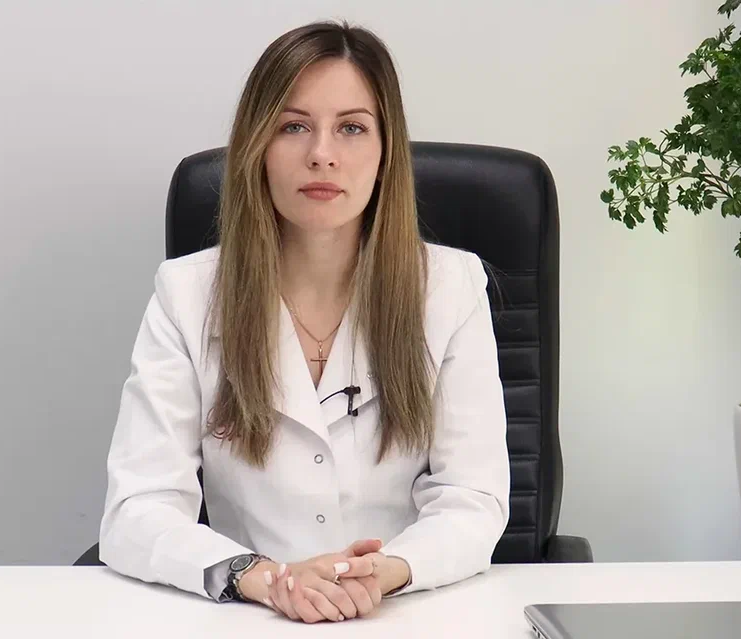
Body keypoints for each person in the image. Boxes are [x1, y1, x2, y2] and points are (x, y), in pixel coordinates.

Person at [99, 20, 509, 624]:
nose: (322, 153)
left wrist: (383, 572)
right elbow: (137, 509)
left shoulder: (449, 288)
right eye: (293, 126)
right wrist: (264, 578)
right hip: (249, 616)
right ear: (257, 148)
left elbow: (472, 498)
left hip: (407, 615)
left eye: (352, 127)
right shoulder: (187, 295)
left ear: (386, 152)